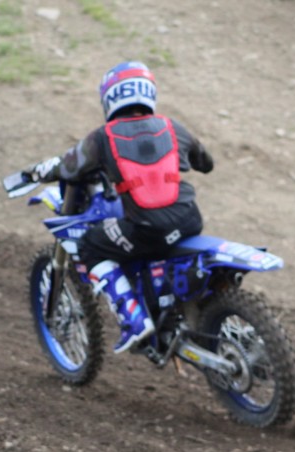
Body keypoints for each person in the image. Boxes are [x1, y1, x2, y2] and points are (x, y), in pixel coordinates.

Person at [24, 61, 215, 354]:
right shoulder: (172, 127)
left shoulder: (103, 137)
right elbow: (206, 163)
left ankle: (134, 320)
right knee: (158, 242)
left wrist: (38, 171)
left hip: (147, 228)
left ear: (110, 97)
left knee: (90, 244)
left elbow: (68, 167)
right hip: (190, 219)